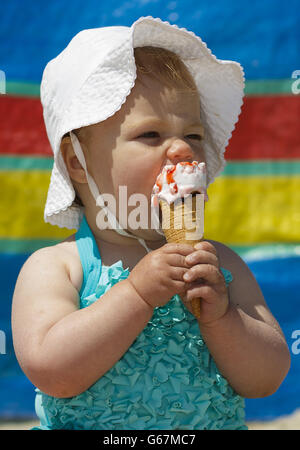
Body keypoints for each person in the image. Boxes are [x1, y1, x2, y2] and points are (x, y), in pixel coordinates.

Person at [11, 17, 290, 430]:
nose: (181, 149)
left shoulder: (219, 265)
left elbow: (267, 378)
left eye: (194, 135)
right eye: (151, 134)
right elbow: (52, 371)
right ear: (77, 163)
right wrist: (137, 295)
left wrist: (223, 318)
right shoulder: (59, 267)